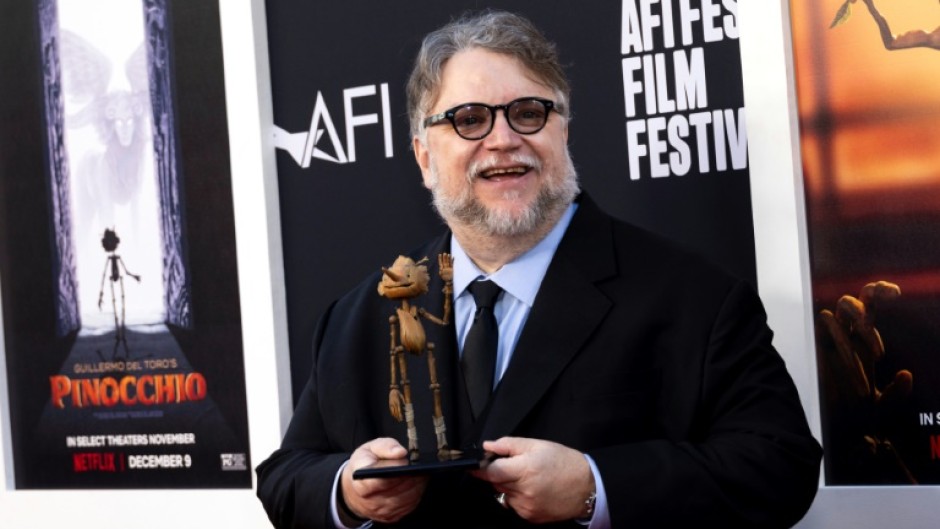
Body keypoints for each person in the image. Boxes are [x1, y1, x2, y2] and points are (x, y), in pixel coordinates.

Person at [256, 10, 822, 528]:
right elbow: (285, 477)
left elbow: (781, 468)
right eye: (469, 119)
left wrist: (595, 487)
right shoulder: (360, 315)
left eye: (529, 113)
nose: (504, 140)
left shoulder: (694, 297)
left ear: (563, 131)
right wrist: (347, 494)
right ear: (425, 157)